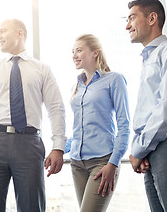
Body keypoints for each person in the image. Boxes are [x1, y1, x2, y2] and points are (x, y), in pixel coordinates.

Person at [0, 19, 66, 212]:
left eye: (3, 31)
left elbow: (55, 108)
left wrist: (58, 147)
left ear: (19, 33)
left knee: (32, 207)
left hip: (29, 143)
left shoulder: (42, 69)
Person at [126, 0, 167, 211]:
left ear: (152, 18)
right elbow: (146, 112)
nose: (127, 25)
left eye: (132, 17)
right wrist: (141, 149)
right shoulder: (148, 60)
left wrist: (140, 149)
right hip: (152, 147)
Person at [69, 34, 130, 211]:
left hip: (102, 162)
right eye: (72, 51)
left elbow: (124, 125)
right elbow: (79, 130)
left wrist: (113, 163)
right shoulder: (78, 85)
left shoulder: (114, 79)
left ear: (95, 52)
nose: (74, 55)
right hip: (77, 163)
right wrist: (57, 148)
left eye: (79, 50)